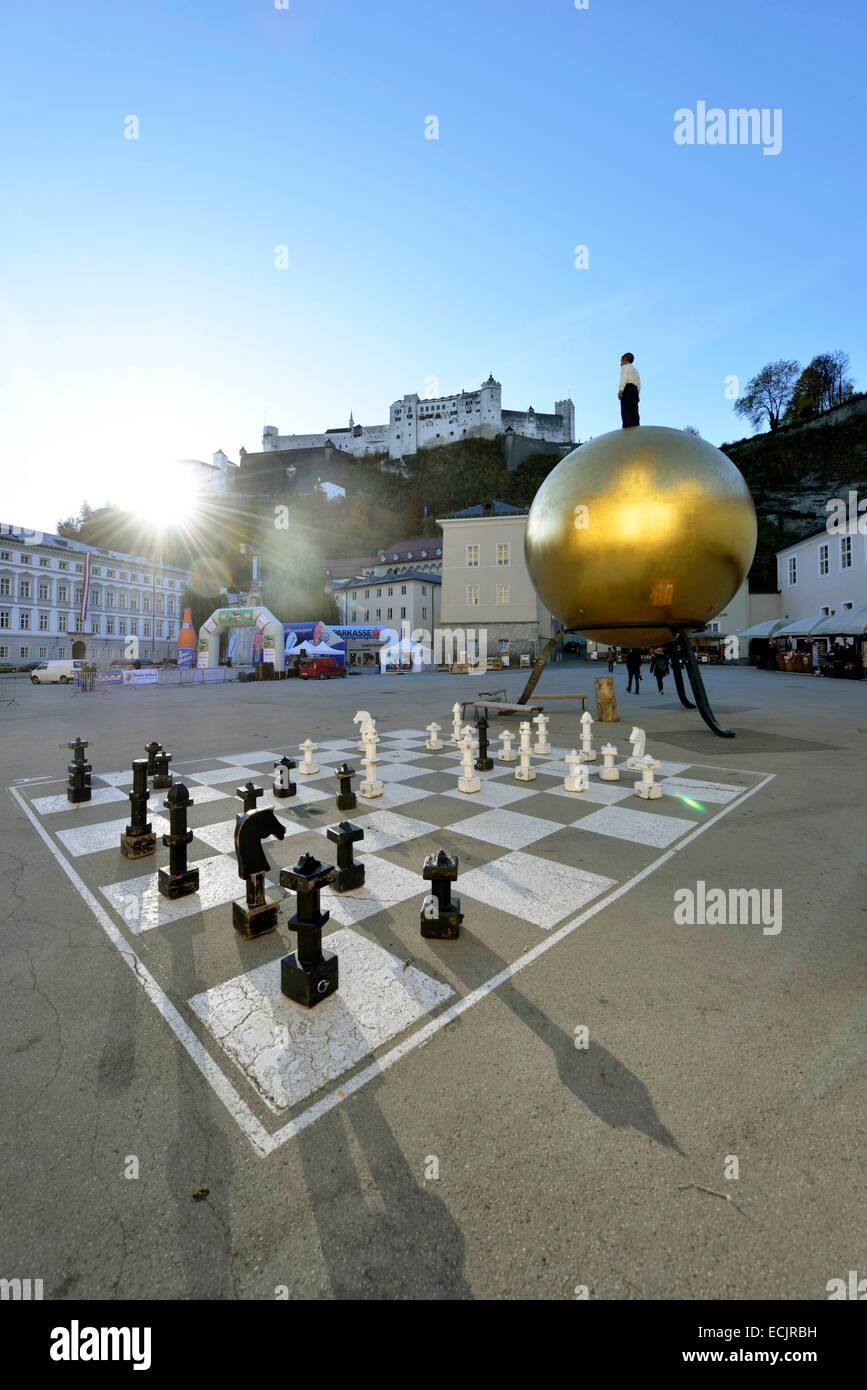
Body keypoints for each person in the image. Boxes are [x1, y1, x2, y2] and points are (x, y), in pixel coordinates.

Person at [618, 352, 641, 428]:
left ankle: (627, 427)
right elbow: (638, 383)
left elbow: (623, 378)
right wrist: (637, 394)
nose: (620, 363)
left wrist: (621, 390)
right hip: (635, 390)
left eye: (621, 361)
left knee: (626, 409)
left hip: (627, 388)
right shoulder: (635, 370)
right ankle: (636, 426)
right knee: (634, 410)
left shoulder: (625, 367)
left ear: (625, 359)